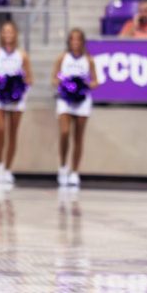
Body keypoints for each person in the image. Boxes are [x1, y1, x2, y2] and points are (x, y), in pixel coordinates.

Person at [0, 20, 33, 185]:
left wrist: (18, 88)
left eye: (10, 31)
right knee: (1, 129)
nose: (8, 34)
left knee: (13, 133)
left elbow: (29, 77)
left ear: (15, 34)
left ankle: (8, 168)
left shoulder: (22, 54)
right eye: (5, 31)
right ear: (1, 34)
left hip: (17, 97)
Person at [53, 29, 100, 188]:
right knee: (65, 132)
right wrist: (65, 83)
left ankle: (74, 172)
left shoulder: (89, 60)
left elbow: (95, 81)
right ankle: (63, 166)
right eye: (72, 39)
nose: (75, 42)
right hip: (65, 99)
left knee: (78, 137)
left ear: (82, 42)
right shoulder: (62, 58)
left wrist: (84, 85)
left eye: (78, 39)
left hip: (82, 100)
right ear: (69, 41)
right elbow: (55, 77)